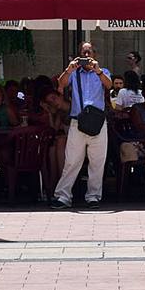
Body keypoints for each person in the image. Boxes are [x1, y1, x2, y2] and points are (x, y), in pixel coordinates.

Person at [51, 41, 112, 209]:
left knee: (97, 161)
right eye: (83, 53)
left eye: (89, 53)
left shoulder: (103, 72)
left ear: (95, 55)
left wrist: (97, 70)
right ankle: (63, 196)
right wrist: (68, 69)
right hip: (78, 122)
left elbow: (109, 85)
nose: (86, 57)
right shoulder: (74, 73)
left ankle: (93, 196)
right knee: (71, 161)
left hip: (98, 123)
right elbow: (61, 85)